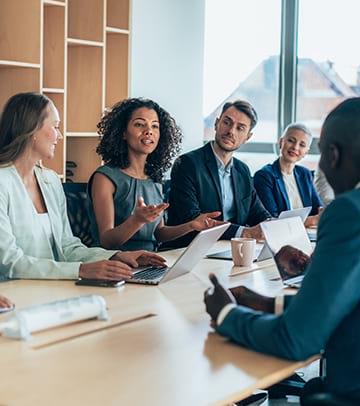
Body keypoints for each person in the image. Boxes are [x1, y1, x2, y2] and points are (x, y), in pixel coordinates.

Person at [204, 97, 360, 404]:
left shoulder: (349, 213)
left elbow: (296, 340)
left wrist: (226, 313)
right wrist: (270, 304)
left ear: (332, 154)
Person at [0, 92, 166, 281]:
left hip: (52, 287)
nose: (60, 135)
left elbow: (67, 246)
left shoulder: (50, 180)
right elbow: (9, 262)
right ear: (31, 130)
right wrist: (80, 270)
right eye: (55, 126)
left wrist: (116, 256)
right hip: (14, 294)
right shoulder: (3, 183)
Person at [87, 98, 223, 251]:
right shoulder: (104, 178)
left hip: (150, 262)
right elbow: (107, 241)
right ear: (123, 132)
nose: (149, 131)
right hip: (115, 266)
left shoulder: (154, 179)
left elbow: (159, 233)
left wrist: (191, 226)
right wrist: (136, 221)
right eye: (139, 124)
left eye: (155, 126)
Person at [167, 100, 271, 248]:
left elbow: (258, 213)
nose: (231, 131)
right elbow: (192, 218)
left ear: (247, 137)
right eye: (227, 122)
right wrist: (244, 233)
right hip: (189, 250)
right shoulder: (187, 164)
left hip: (229, 250)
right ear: (216, 124)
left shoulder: (243, 170)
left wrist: (269, 224)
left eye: (240, 128)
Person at [254, 123, 323, 227]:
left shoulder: (305, 174)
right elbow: (272, 220)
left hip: (306, 234)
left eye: (302, 145)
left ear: (305, 153)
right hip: (279, 236)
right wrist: (312, 220)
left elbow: (318, 208)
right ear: (281, 142)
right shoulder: (264, 176)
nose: (295, 147)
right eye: (291, 140)